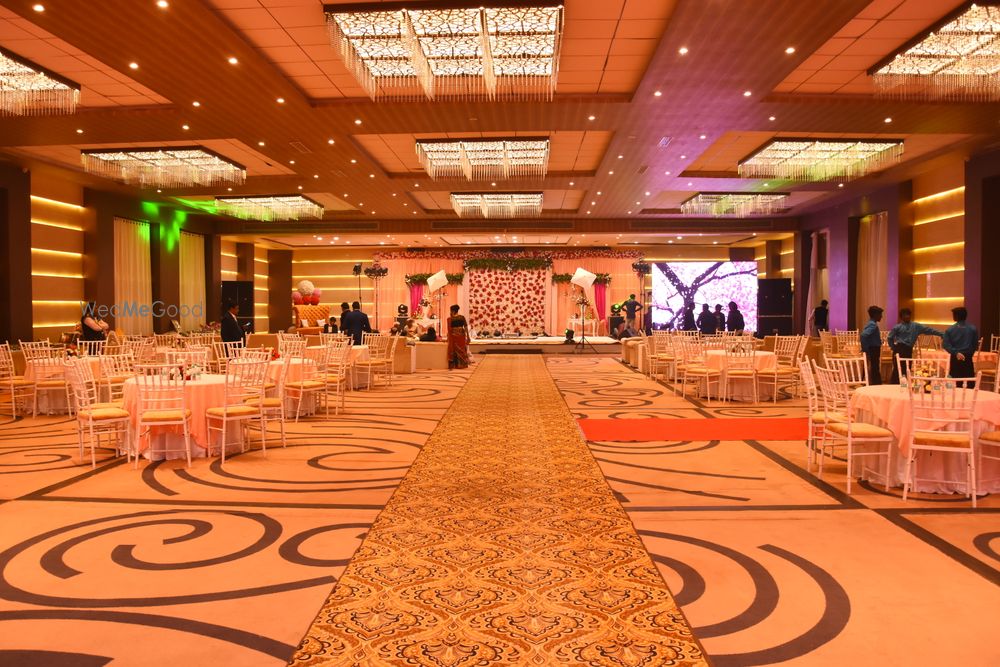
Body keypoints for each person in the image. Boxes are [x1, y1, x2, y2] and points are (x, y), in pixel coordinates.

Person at [887, 308, 942, 383]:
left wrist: (941, 334)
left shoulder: (916, 326)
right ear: (901, 317)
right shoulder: (897, 327)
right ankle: (894, 386)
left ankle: (905, 386)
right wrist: (893, 347)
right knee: (897, 369)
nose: (907, 316)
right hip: (899, 348)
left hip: (908, 349)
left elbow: (929, 330)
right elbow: (890, 337)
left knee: (907, 369)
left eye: (908, 314)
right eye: (904, 315)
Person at [943, 307, 979, 385]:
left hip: (955, 358)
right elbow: (975, 345)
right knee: (969, 382)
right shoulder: (973, 328)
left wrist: (955, 353)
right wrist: (969, 354)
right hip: (968, 358)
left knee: (955, 382)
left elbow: (945, 345)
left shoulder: (950, 330)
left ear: (956, 316)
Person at [859, 305, 884, 385]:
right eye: (880, 314)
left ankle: (873, 383)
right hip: (873, 349)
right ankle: (876, 385)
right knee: (875, 368)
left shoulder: (870, 323)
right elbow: (863, 336)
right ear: (875, 315)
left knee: (873, 367)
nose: (881, 316)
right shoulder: (873, 324)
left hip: (873, 348)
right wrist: (865, 349)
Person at [446, 305, 470, 369]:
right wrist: (468, 336)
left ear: (453, 311)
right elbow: (465, 327)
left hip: (454, 336)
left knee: (454, 350)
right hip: (462, 336)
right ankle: (462, 364)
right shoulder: (462, 317)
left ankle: (455, 365)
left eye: (451, 311)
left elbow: (449, 330)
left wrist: (448, 337)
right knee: (462, 349)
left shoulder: (450, 319)